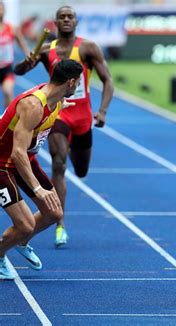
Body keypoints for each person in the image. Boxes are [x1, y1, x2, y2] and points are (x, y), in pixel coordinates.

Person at [14, 5, 114, 247]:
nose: (66, 20)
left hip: (82, 117)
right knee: (58, 164)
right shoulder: (47, 49)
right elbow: (18, 70)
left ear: (76, 22)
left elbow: (108, 80)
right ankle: (60, 224)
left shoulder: (88, 48)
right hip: (59, 113)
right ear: (56, 23)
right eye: (62, 17)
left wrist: (102, 111)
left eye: (70, 17)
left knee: (81, 170)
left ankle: (59, 217)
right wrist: (26, 63)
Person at [0, 59, 83, 280]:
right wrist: (37, 189)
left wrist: (58, 108)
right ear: (71, 82)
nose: (79, 87)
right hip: (3, 164)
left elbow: (23, 153)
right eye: (79, 83)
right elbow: (17, 152)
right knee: (26, 225)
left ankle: (21, 241)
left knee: (54, 213)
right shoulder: (33, 106)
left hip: (25, 159)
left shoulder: (55, 100)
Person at [0, 1, 29, 107]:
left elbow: (21, 42)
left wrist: (27, 54)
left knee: (8, 92)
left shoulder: (11, 28)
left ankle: (8, 119)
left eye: (1, 9)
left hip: (7, 68)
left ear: (4, 11)